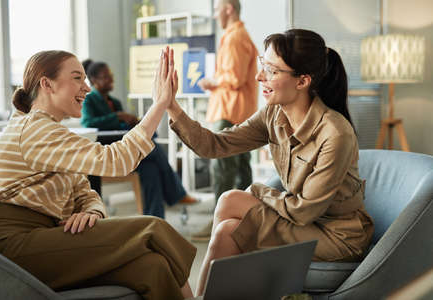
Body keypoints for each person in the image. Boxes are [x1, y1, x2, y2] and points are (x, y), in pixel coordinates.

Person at [167, 29, 375, 296]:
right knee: (227, 230)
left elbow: (303, 211)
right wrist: (172, 106)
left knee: (231, 202)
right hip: (300, 222)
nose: (259, 77)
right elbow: (215, 145)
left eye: (273, 71)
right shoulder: (273, 114)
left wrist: (257, 191)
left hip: (336, 236)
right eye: (263, 65)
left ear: (302, 81)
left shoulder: (335, 133)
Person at [0, 47, 196, 300]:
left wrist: (92, 211)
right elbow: (117, 160)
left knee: (152, 268)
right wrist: (160, 104)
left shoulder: (52, 133)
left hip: (44, 237)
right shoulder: (32, 129)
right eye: (77, 78)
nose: (87, 87)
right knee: (152, 228)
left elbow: (85, 192)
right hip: (8, 247)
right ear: (46, 84)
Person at [80, 59, 198, 218]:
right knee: (153, 147)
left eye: (111, 75)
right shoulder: (89, 100)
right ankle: (177, 193)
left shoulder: (115, 101)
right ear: (94, 80)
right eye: (105, 77)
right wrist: (118, 116)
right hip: (110, 150)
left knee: (151, 170)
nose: (111, 80)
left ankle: (154, 220)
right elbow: (87, 123)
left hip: (126, 147)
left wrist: (133, 121)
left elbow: (121, 127)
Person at [193, 0, 258, 241]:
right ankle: (243, 221)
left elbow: (234, 77)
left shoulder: (234, 38)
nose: (214, 13)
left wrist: (211, 81)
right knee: (240, 168)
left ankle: (219, 222)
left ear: (228, 8)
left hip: (230, 111)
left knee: (222, 168)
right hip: (240, 111)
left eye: (216, 7)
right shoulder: (239, 35)